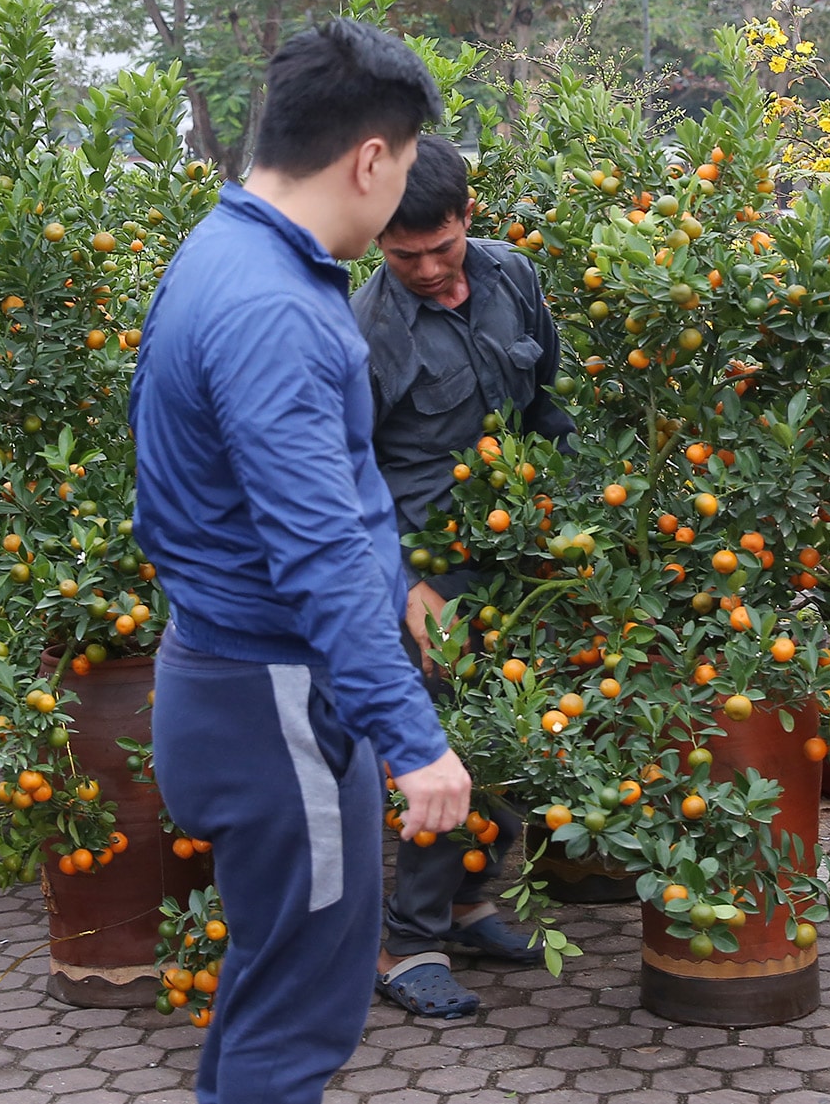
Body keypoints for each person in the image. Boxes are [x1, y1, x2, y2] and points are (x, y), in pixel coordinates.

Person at [130, 20, 473, 1104]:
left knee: (273, 985)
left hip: (238, 686)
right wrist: (413, 743)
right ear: (372, 158)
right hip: (272, 701)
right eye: (408, 160)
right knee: (301, 1020)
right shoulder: (273, 306)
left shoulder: (229, 251)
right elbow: (315, 550)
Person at [350, 133, 574, 1019]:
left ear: (467, 218)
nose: (432, 269)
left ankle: (470, 900)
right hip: (429, 568)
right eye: (407, 257)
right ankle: (407, 944)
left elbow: (547, 399)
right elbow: (347, 471)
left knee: (512, 735)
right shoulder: (364, 332)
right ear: (376, 242)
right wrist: (404, 579)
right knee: (444, 745)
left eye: (443, 247)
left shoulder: (513, 275)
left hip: (518, 552)